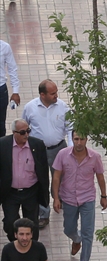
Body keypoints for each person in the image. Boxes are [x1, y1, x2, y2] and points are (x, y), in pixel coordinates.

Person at [22, 80, 69, 226]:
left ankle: (59, 198)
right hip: (38, 151)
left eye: (56, 92)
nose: (56, 95)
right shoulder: (30, 107)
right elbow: (24, 126)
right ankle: (43, 213)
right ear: (42, 94)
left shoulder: (63, 107)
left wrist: (71, 149)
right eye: (52, 93)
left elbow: (70, 127)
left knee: (60, 178)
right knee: (41, 181)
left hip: (59, 149)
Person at [1, 119, 50, 241]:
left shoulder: (37, 145)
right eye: (23, 132)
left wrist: (45, 192)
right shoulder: (3, 145)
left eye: (28, 131)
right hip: (10, 192)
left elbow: (43, 170)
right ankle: (15, 246)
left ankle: (32, 249)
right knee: (10, 222)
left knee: (32, 224)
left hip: (31, 192)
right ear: (14, 132)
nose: (26, 135)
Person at [0, 35, 18, 136]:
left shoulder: (5, 47)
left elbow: (12, 69)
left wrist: (15, 91)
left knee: (1, 124)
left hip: (1, 90)